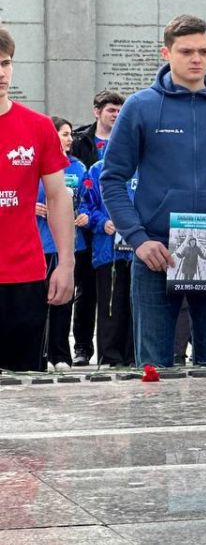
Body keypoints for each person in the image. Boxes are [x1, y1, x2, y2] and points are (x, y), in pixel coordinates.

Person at [100, 14, 206, 367]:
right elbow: (112, 178)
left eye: (204, 51)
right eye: (186, 51)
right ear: (167, 53)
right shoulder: (140, 106)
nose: (197, 59)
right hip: (157, 253)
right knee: (154, 368)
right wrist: (138, 238)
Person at [0, 24, 76, 371]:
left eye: (6, 62)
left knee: (24, 391)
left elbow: (59, 197)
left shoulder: (38, 126)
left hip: (24, 277)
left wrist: (66, 262)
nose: (1, 73)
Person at [68, 90, 123, 366]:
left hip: (114, 236)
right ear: (97, 111)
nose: (115, 115)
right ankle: (82, 347)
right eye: (110, 110)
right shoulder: (82, 142)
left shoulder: (127, 141)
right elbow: (74, 185)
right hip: (86, 228)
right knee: (85, 291)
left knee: (113, 293)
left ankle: (117, 348)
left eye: (118, 110)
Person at [36, 117, 89, 371]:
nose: (69, 139)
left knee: (63, 301)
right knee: (39, 303)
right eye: (64, 134)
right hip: (40, 244)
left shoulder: (78, 169)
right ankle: (40, 352)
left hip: (69, 246)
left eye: (70, 134)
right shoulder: (37, 165)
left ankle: (60, 355)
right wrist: (32, 207)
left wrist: (85, 214)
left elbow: (88, 199)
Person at [80, 155, 135, 368]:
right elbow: (84, 206)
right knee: (111, 305)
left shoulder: (144, 166)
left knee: (136, 306)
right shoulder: (97, 170)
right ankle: (110, 357)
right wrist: (102, 222)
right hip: (108, 251)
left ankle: (133, 356)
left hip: (140, 251)